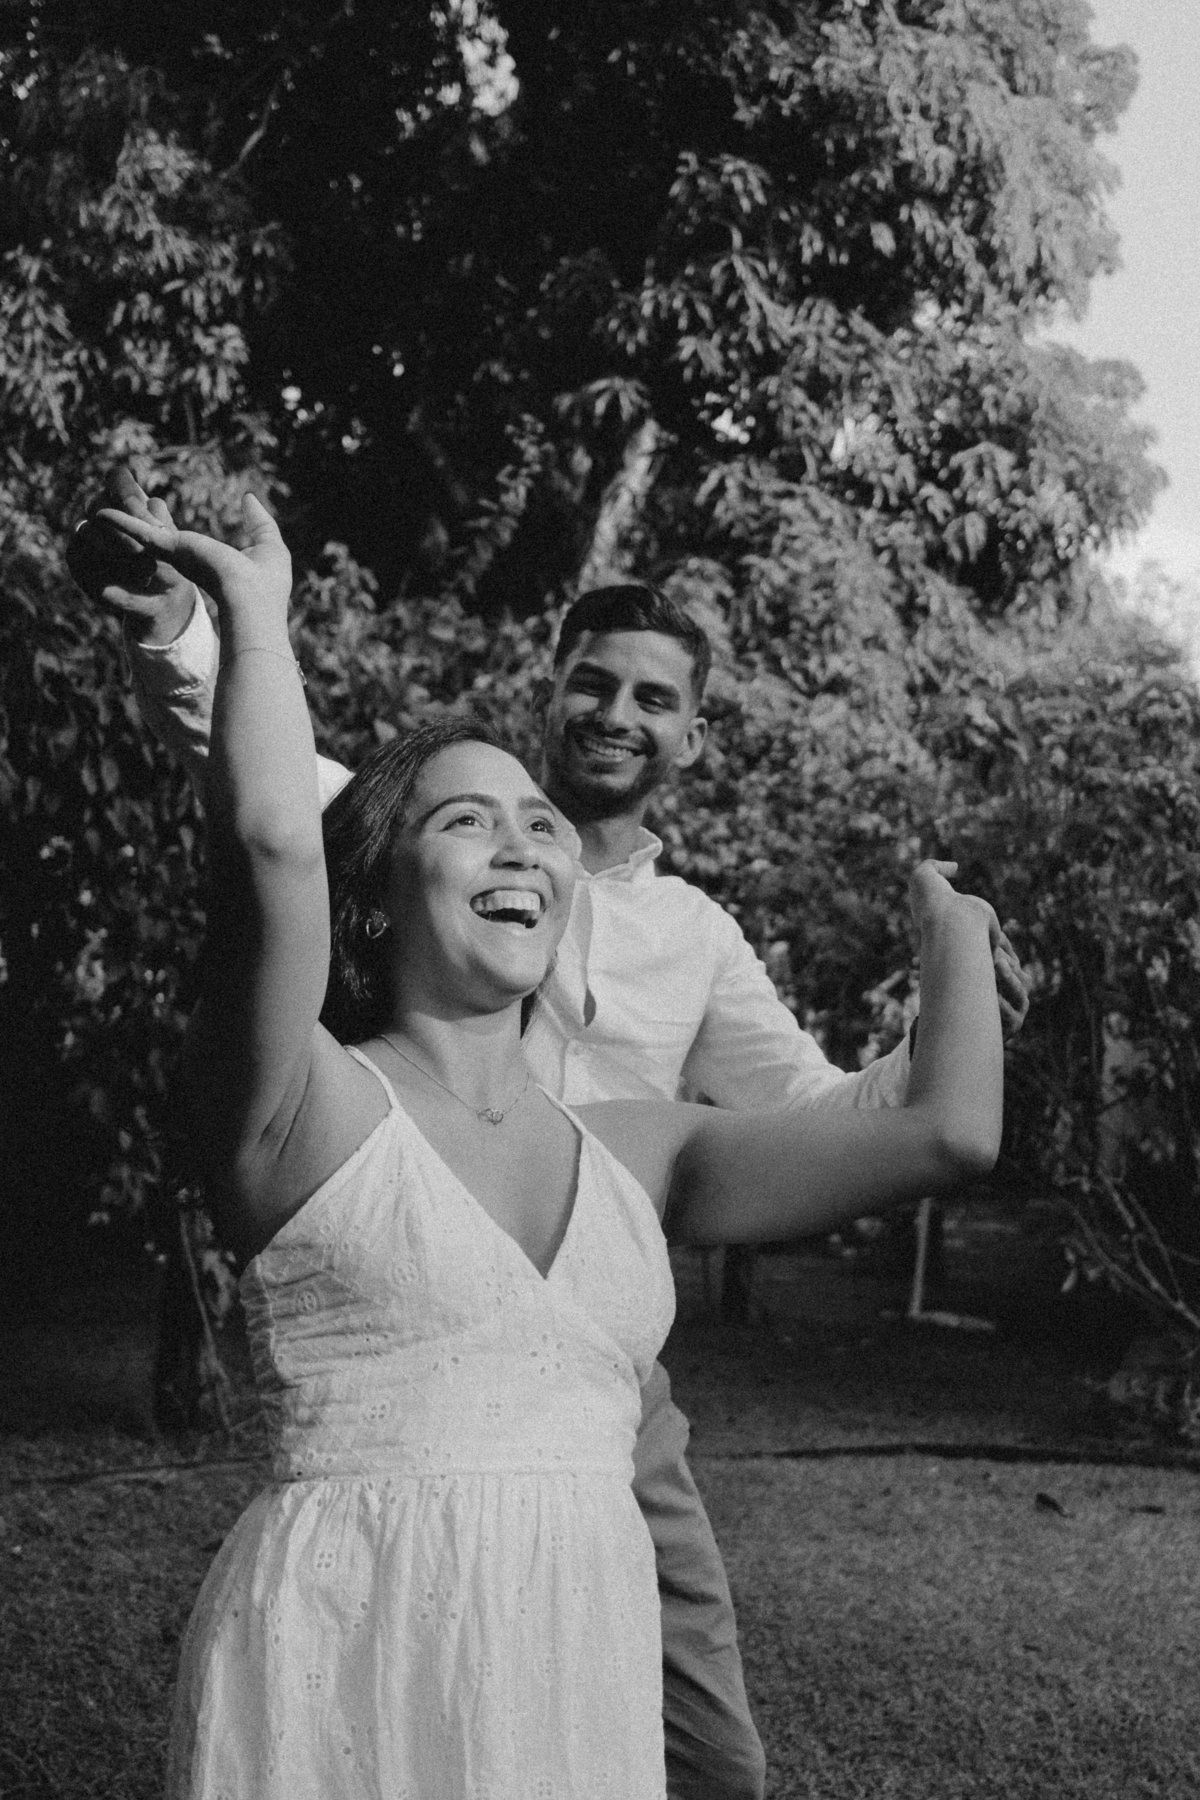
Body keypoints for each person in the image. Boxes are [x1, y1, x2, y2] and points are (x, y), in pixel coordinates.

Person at [71, 473, 1028, 1800]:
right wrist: (221, 623)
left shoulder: (678, 1010)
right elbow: (278, 830)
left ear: (691, 735)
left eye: (654, 699)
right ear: (377, 886)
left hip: (598, 1398)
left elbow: (914, 1127)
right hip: (365, 1551)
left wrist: (954, 946)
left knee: (709, 1758)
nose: (521, 840)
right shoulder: (319, 1080)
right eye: (471, 822)